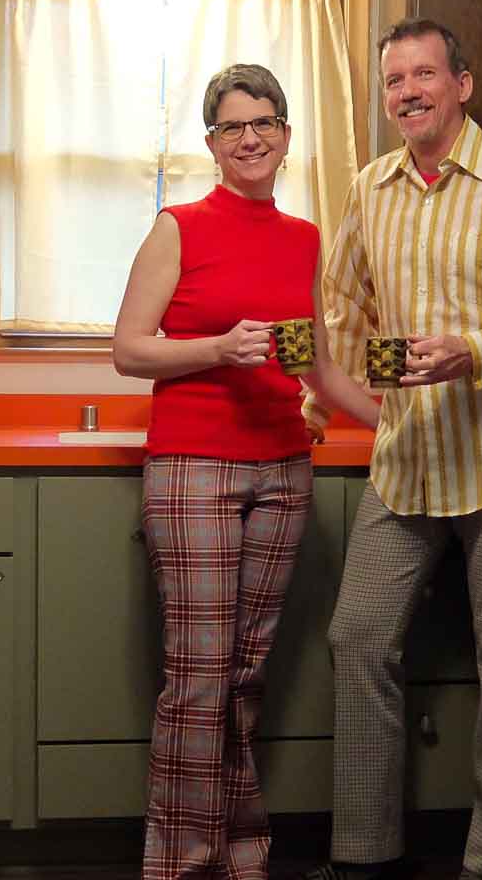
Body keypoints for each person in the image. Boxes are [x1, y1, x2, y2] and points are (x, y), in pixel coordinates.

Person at [299, 18, 482, 880]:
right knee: (357, 637)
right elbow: (344, 319)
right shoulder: (370, 188)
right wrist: (312, 408)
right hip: (408, 456)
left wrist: (478, 351)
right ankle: (363, 854)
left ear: (460, 84)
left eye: (423, 74)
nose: (407, 92)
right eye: (393, 80)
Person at [114, 63, 380, 880]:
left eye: (263, 122)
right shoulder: (179, 226)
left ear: (287, 136)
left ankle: (241, 848)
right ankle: (183, 860)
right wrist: (217, 348)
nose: (250, 138)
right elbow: (130, 349)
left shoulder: (302, 238)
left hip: (282, 468)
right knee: (197, 676)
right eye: (233, 127)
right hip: (194, 464)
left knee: (244, 672)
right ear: (212, 143)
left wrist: (401, 423)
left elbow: (315, 369)